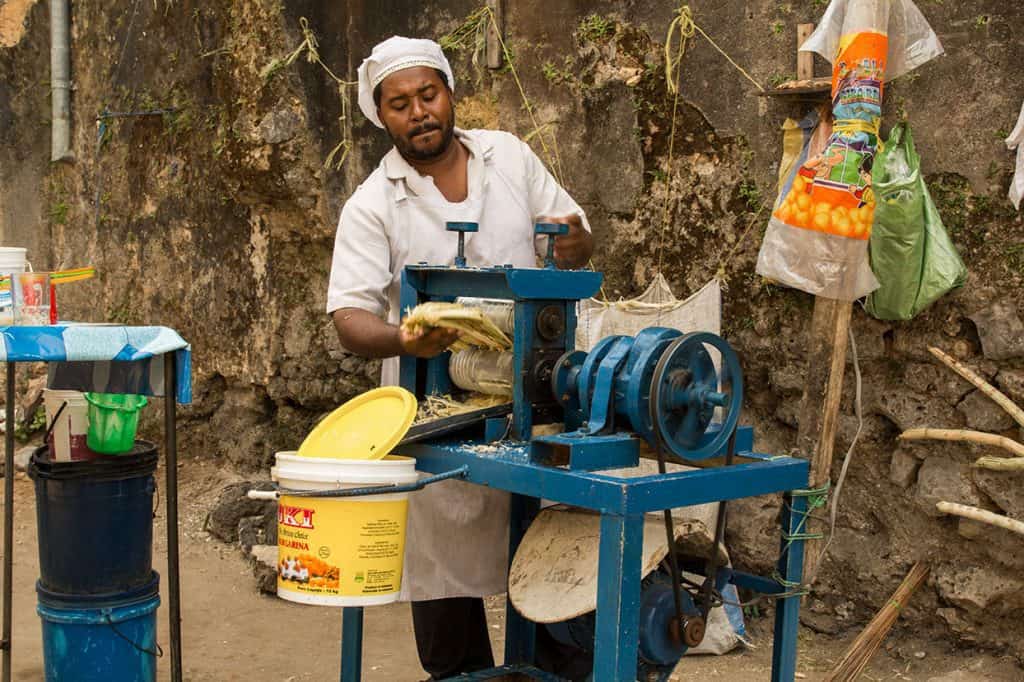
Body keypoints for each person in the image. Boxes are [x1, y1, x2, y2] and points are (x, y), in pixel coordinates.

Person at [326, 36, 594, 681]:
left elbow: (572, 240)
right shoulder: (372, 203)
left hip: (532, 398)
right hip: (435, 408)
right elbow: (349, 319)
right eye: (399, 104)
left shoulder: (509, 158)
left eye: (428, 95)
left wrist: (574, 244)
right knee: (442, 570)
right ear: (382, 116)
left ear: (449, 93)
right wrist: (404, 340)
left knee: (553, 551)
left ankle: (552, 672)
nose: (418, 112)